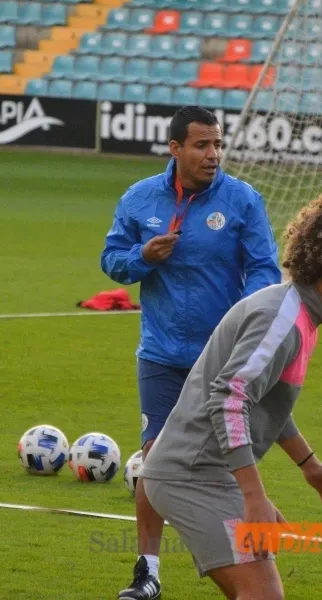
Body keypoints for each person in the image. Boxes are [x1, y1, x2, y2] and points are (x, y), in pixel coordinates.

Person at [140, 179, 322, 599]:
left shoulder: (298, 314)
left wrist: (309, 465)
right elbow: (229, 400)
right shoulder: (282, 321)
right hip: (190, 476)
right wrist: (254, 496)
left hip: (208, 473)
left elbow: (265, 401)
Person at [101, 106, 281, 600]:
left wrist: (246, 320)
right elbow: (111, 261)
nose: (213, 154)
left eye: (217, 144)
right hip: (160, 355)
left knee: (228, 463)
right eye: (202, 145)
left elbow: (265, 269)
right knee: (153, 460)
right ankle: (148, 571)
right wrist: (143, 257)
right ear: (175, 148)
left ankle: (250, 566)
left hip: (220, 360)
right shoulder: (139, 199)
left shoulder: (242, 200)